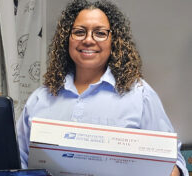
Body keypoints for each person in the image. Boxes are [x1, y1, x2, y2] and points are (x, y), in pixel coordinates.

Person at [16, 0, 188, 175]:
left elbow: (173, 163)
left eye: (100, 33)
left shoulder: (139, 95)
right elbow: (17, 163)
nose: (88, 40)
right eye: (79, 32)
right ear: (66, 39)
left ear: (114, 41)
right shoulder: (40, 99)